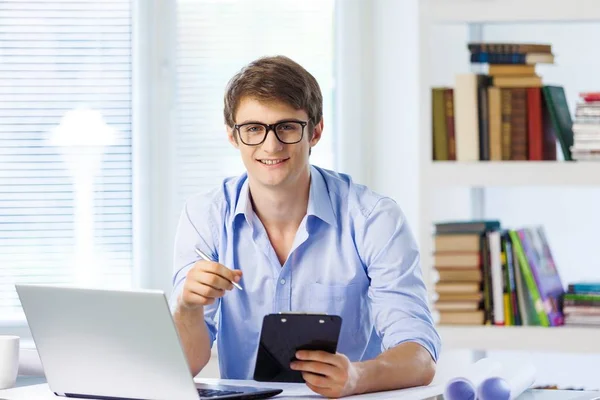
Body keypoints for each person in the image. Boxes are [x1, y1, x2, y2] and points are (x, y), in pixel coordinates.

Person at [169, 55, 441, 398]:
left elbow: (420, 356)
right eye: (253, 129)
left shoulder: (374, 218)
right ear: (232, 136)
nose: (271, 145)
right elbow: (185, 365)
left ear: (315, 131)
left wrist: (357, 376)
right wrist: (188, 307)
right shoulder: (204, 216)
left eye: (287, 126)